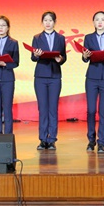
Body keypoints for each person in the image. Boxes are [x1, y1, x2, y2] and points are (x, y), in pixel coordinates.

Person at [81, 11, 104, 154]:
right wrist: (85, 56)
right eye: (97, 19)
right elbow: (85, 58)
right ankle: (91, 140)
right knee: (91, 110)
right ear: (93, 23)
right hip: (92, 77)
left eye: (103, 19)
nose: (100, 22)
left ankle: (101, 142)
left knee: (103, 110)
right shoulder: (88, 38)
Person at [31, 11, 67, 150]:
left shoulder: (60, 38)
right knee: (42, 108)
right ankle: (42, 139)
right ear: (42, 22)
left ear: (54, 22)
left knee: (53, 108)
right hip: (40, 76)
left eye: (50, 20)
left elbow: (63, 57)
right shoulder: (37, 37)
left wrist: (60, 59)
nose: (47, 23)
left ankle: (52, 139)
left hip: (55, 76)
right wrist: (36, 55)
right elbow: (33, 58)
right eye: (45, 20)